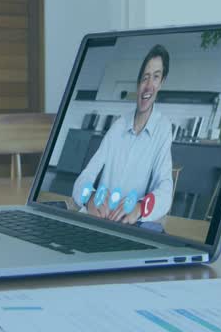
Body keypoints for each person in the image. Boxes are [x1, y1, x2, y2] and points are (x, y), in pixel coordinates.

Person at [71, 44, 175, 232]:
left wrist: (140, 208)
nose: (148, 85)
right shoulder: (118, 126)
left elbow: (166, 189)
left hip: (130, 227)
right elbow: (84, 178)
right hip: (99, 224)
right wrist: (90, 197)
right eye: (145, 77)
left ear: (162, 83)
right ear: (138, 83)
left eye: (156, 77)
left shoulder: (163, 128)